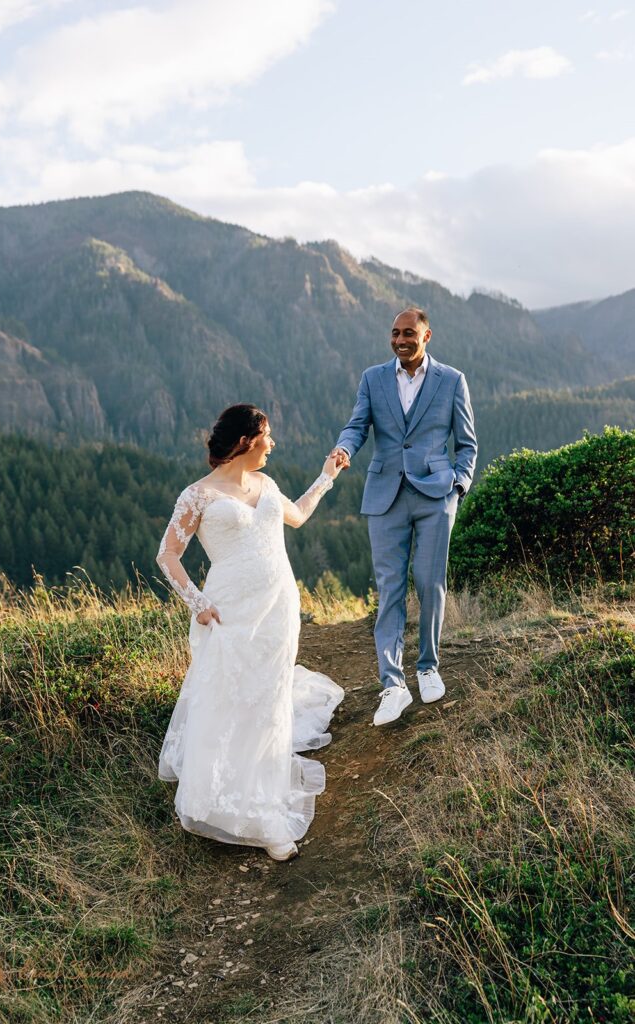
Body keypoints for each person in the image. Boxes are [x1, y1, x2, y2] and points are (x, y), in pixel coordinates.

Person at [156, 404, 344, 862]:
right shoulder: (196, 496)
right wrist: (197, 604)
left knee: (270, 693)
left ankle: (264, 790)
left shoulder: (267, 484)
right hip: (230, 611)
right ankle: (239, 807)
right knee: (231, 694)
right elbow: (167, 555)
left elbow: (296, 516)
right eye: (267, 436)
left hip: (279, 605)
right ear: (245, 442)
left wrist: (327, 476)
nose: (272, 444)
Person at [331, 307, 477, 727]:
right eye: (394, 333)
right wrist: (344, 449)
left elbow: (467, 443)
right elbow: (357, 426)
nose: (400, 340)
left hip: (435, 494)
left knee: (430, 583)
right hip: (385, 493)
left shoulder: (451, 380)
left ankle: (428, 667)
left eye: (408, 333)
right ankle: (392, 685)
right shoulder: (373, 378)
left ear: (427, 335)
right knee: (390, 588)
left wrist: (458, 485)